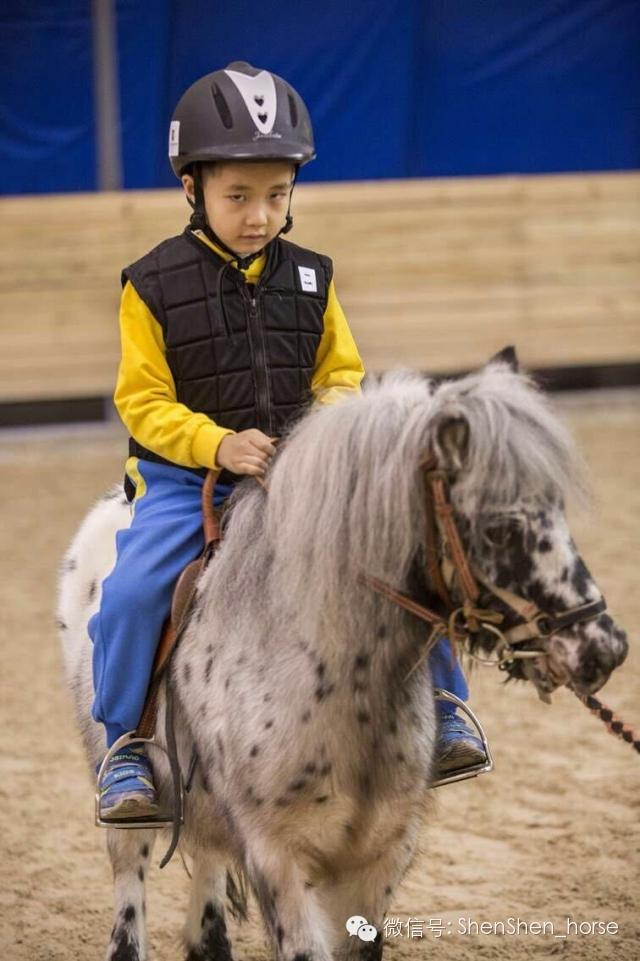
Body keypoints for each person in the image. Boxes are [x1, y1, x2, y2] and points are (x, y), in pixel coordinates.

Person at [89, 61, 485, 821]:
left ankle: (444, 701)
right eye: (238, 196)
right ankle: (125, 747)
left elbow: (342, 372)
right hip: (186, 480)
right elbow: (142, 400)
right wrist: (215, 445)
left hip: (298, 471)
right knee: (134, 593)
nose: (259, 215)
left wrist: (321, 438)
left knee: (402, 549)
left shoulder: (312, 277)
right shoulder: (151, 284)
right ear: (191, 188)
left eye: (276, 195)